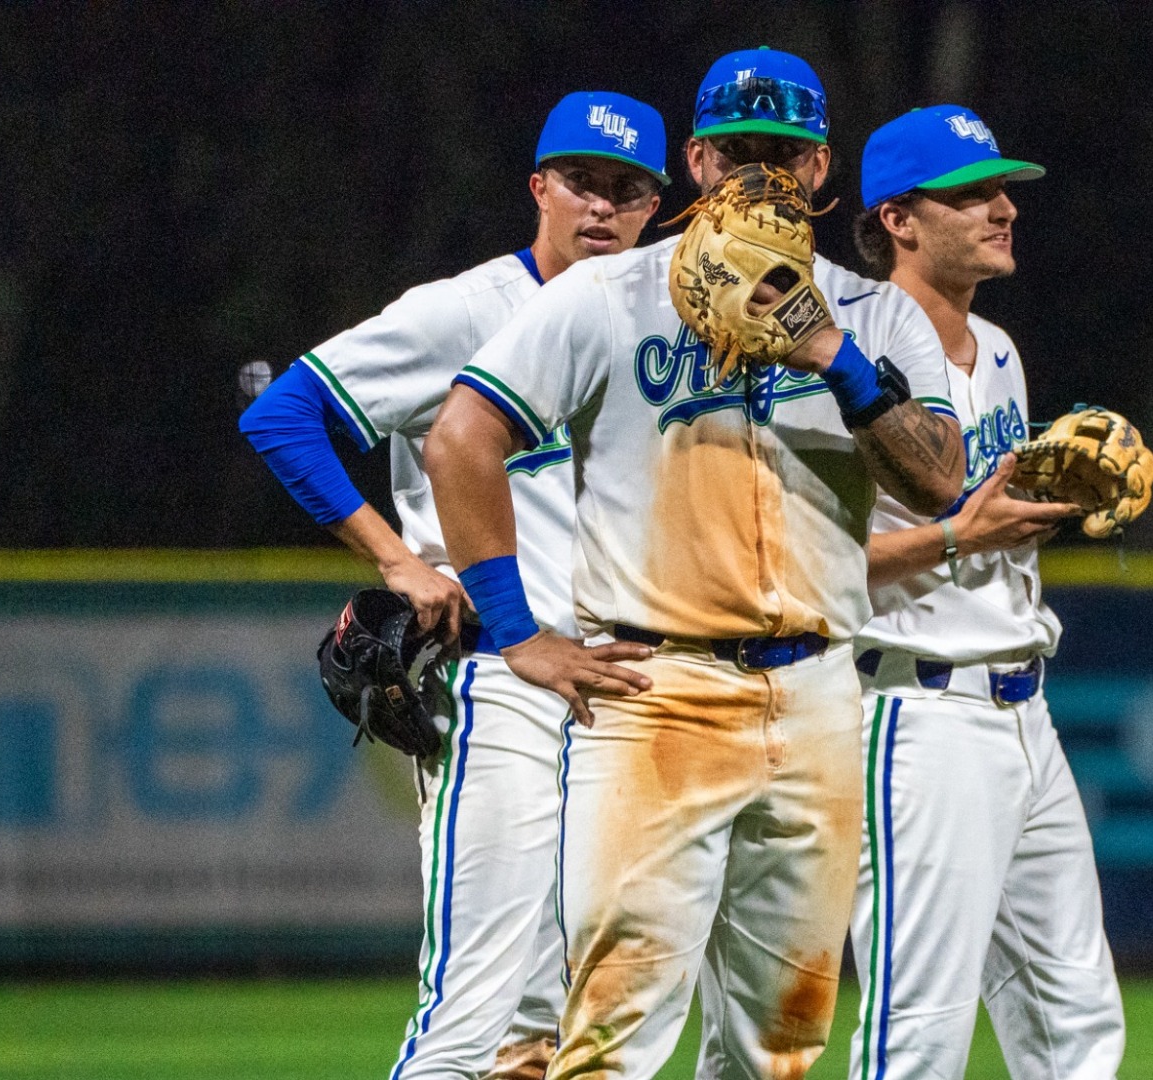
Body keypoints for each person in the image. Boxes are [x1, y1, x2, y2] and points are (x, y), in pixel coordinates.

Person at [422, 47, 966, 1080]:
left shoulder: (878, 314)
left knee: (781, 1049)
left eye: (785, 153)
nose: (762, 172)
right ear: (699, 162)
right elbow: (461, 438)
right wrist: (516, 631)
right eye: (740, 152)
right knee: (609, 1044)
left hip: (817, 696)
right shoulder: (612, 295)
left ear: (821, 173)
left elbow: (941, 479)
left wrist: (833, 358)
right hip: (655, 694)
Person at [238, 93, 670, 1079]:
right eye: (580, 182)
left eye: (625, 189)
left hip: (622, 694)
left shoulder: (654, 337)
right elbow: (283, 414)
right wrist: (395, 555)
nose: (601, 208)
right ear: (539, 188)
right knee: (471, 1012)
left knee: (565, 1036)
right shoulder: (468, 312)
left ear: (655, 205)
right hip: (503, 682)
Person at [842, 106, 1125, 1080]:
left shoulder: (997, 350)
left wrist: (1055, 494)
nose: (1005, 208)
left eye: (1005, 190)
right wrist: (964, 533)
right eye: (974, 195)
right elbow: (798, 565)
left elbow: (986, 514)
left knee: (1077, 1023)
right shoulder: (847, 353)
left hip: (1024, 712)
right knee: (917, 1032)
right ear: (898, 220)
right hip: (916, 711)